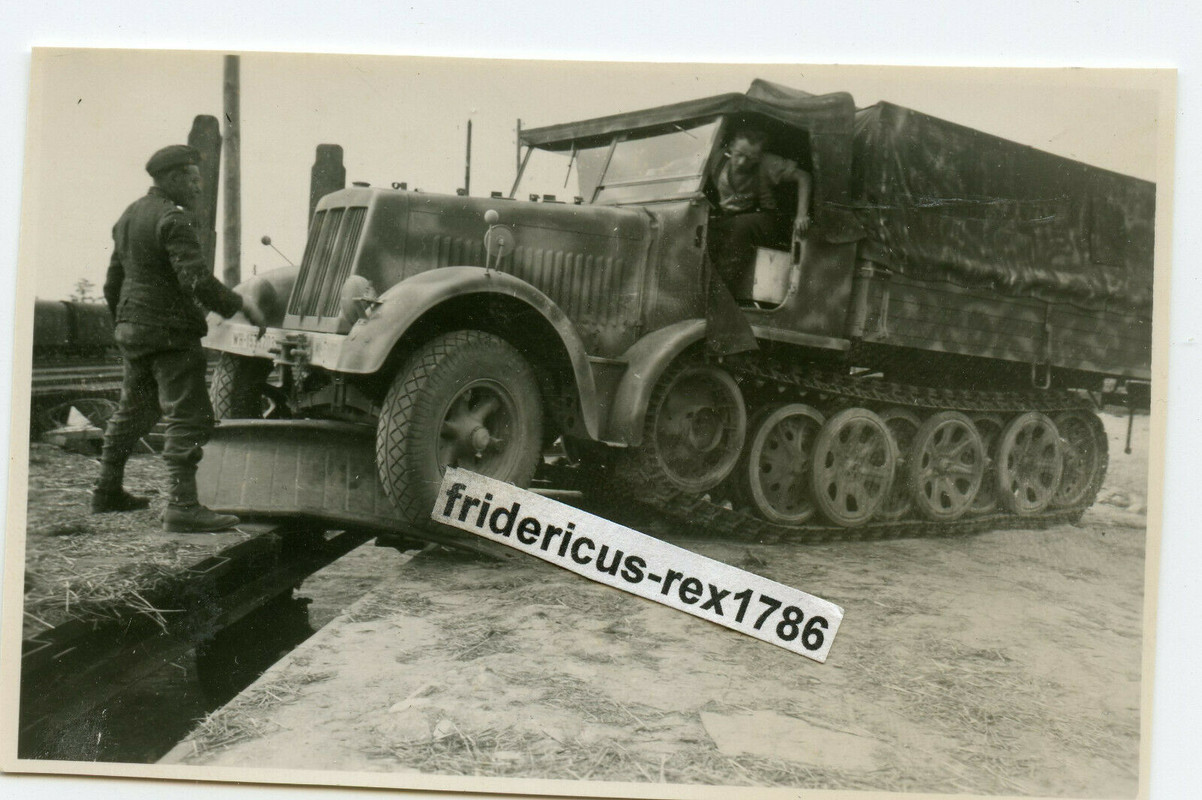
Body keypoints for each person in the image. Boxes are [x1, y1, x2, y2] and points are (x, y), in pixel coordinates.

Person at [93, 144, 268, 532]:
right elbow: (196, 279)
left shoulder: (129, 215)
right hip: (170, 333)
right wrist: (241, 305)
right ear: (172, 179)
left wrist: (126, 324)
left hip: (134, 329)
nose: (199, 187)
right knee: (189, 416)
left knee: (134, 411)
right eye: (193, 179)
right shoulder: (174, 219)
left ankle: (106, 491)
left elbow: (112, 283)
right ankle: (183, 506)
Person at [709, 126, 813, 286]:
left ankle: (722, 290)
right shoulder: (717, 159)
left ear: (759, 156)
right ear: (731, 146)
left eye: (750, 158)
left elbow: (804, 177)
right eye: (739, 155)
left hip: (765, 218)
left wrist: (801, 215)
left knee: (741, 227)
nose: (742, 162)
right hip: (729, 217)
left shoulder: (767, 163)